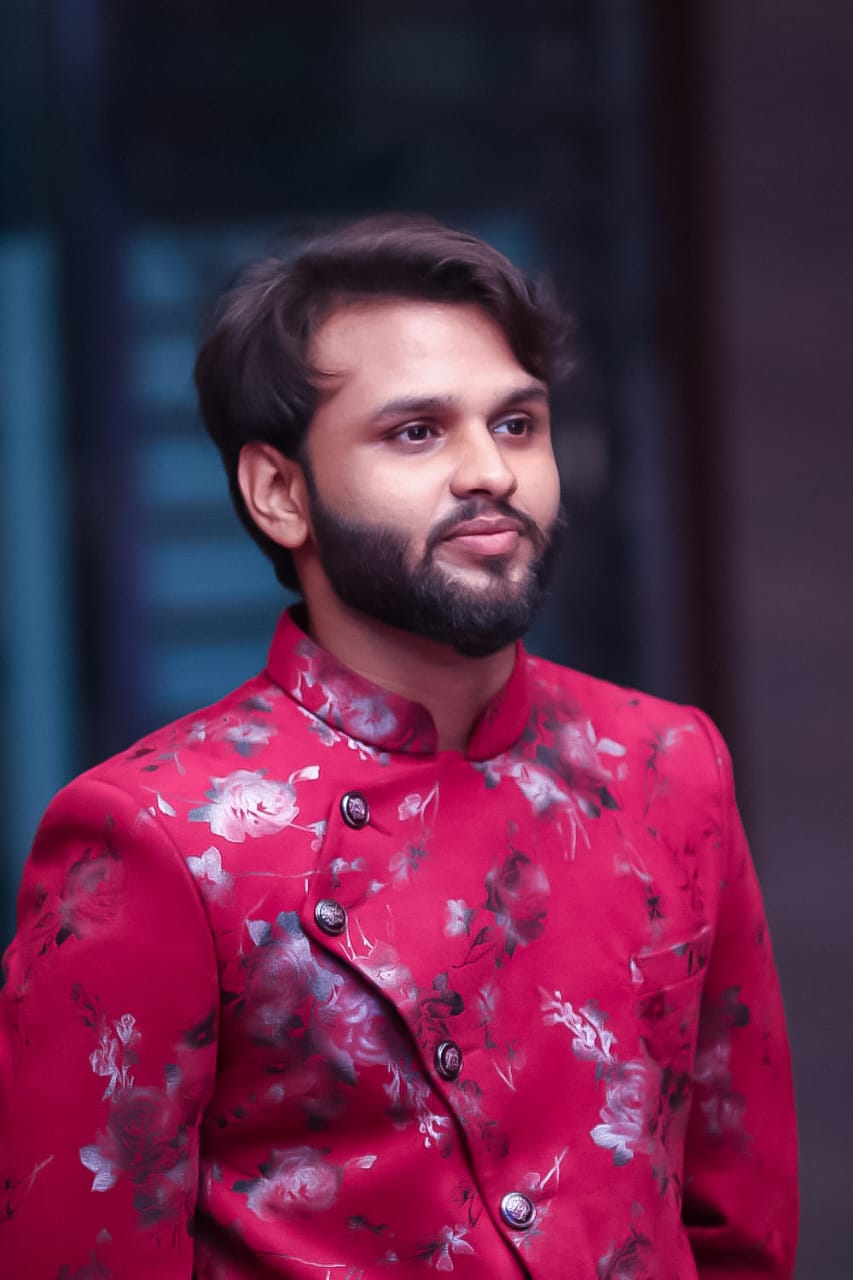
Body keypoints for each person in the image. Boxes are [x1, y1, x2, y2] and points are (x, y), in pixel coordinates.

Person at [0, 215, 797, 1279]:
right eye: (416, 432)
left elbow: (741, 1231)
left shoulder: (665, 763)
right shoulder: (160, 836)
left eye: (516, 423)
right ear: (281, 493)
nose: (490, 470)